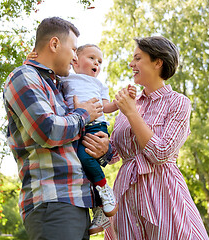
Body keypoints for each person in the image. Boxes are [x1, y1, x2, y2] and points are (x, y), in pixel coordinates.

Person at [3, 17, 111, 240]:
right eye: (73, 49)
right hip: (53, 202)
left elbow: (75, 142)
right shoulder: (24, 76)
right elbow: (47, 130)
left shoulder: (60, 88)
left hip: (78, 203)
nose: (74, 57)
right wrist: (84, 115)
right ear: (54, 44)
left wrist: (103, 150)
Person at [100, 36, 209, 239]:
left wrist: (132, 113)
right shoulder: (129, 102)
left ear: (157, 62)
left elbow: (161, 153)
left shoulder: (178, 103)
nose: (131, 63)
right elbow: (114, 153)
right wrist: (100, 145)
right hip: (126, 196)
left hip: (163, 194)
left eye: (138, 58)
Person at [27, 44, 136, 235]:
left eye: (100, 61)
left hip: (95, 127)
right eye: (92, 58)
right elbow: (44, 76)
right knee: (77, 165)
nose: (97, 63)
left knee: (85, 158)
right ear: (75, 61)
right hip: (76, 126)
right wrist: (31, 61)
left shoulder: (98, 84)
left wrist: (122, 100)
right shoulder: (65, 77)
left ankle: (105, 190)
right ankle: (100, 208)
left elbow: (106, 107)